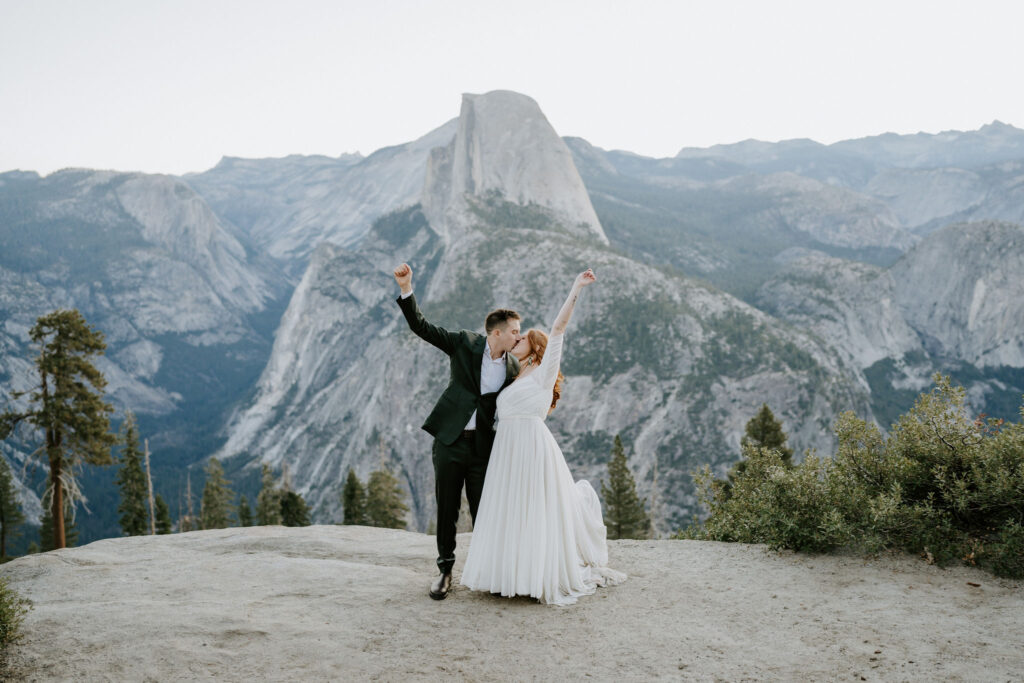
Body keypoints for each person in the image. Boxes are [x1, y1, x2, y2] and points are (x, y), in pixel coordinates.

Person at [461, 268, 626, 605]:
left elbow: (559, 328)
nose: (514, 341)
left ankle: (534, 577)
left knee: (532, 510)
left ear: (534, 349)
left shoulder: (543, 371)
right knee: (511, 511)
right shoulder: (513, 375)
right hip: (507, 449)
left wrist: (576, 287)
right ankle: (509, 574)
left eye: (520, 339)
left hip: (532, 446)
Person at [393, 262, 521, 600]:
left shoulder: (513, 366)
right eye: (514, 331)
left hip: (481, 448)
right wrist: (407, 288)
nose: (518, 336)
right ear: (496, 332)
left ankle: (488, 571)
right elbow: (422, 327)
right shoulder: (464, 344)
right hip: (449, 441)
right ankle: (445, 571)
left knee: (484, 511)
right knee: (447, 508)